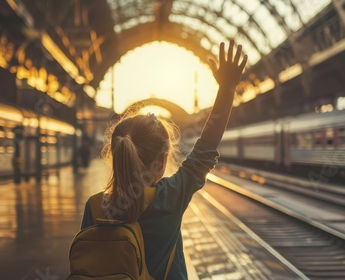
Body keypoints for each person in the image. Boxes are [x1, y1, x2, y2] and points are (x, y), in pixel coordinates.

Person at [80, 41, 247, 279]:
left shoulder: (95, 207)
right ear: (160, 163)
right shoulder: (170, 197)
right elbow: (207, 146)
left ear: (116, 156)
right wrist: (227, 90)